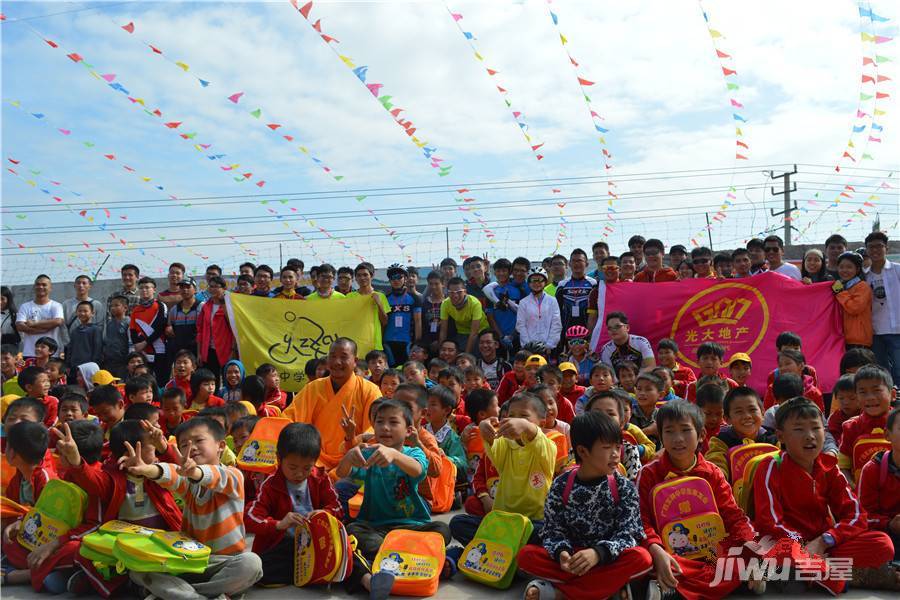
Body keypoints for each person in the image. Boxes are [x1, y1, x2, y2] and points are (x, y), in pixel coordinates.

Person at [753, 398, 897, 593]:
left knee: (882, 545)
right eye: (799, 429)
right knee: (772, 550)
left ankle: (810, 573)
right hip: (789, 543)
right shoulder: (771, 467)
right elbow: (769, 522)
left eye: (816, 428)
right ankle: (830, 574)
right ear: (781, 436)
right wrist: (804, 545)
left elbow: (856, 515)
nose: (810, 436)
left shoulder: (829, 467)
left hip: (825, 544)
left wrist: (826, 539)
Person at [122, 417, 264, 598]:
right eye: (184, 445)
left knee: (251, 564)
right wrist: (147, 470)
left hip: (224, 563)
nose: (193, 447)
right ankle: (208, 595)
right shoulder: (189, 483)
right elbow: (172, 474)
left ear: (221, 446)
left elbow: (213, 476)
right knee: (137, 570)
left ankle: (181, 594)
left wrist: (194, 472)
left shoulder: (234, 476)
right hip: (188, 561)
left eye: (199, 440)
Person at [517, 412, 652, 600]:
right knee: (525, 556)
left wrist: (598, 553)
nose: (616, 454)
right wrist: (562, 553)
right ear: (582, 451)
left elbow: (630, 533)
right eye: (607, 447)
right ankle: (607, 589)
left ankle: (560, 594)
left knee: (642, 559)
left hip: (608, 558)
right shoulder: (561, 485)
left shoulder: (623, 487)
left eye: (617, 446)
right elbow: (552, 530)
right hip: (572, 559)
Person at [637, 401, 758, 599]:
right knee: (647, 559)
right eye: (669, 432)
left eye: (686, 430)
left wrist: (752, 551)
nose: (678, 439)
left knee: (746, 555)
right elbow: (641, 521)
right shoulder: (649, 474)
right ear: (660, 436)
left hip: (712, 551)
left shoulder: (712, 473)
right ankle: (734, 581)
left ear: (701, 434)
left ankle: (670, 589)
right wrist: (656, 549)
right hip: (671, 553)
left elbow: (733, 516)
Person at [340, 399, 452, 595]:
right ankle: (400, 561)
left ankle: (386, 560)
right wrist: (349, 457)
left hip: (412, 527)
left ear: (408, 430)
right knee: (352, 531)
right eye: (379, 421)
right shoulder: (368, 453)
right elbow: (342, 474)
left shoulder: (413, 452)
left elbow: (418, 470)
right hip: (376, 528)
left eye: (393, 422)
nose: (385, 427)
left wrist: (394, 455)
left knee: (441, 530)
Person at [449, 391, 556, 546]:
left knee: (545, 533)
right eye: (511, 415)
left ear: (542, 423)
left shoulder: (547, 445)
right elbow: (492, 442)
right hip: (503, 520)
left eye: (524, 416)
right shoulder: (505, 445)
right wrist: (485, 427)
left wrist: (527, 427)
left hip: (533, 522)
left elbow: (538, 439)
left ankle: (501, 547)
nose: (516, 420)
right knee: (458, 523)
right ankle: (509, 548)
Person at [247, 423, 342, 585]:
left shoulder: (320, 478)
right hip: (284, 544)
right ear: (278, 459)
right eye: (292, 467)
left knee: (346, 554)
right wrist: (279, 524)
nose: (299, 473)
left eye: (307, 468)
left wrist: (323, 514)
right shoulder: (270, 485)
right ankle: (314, 574)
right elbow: (250, 517)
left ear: (315, 461)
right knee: (257, 568)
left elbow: (337, 508)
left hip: (318, 543)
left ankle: (313, 572)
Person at [283, 338, 381, 472]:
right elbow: (289, 419)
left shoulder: (370, 390)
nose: (337, 362)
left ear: (355, 361)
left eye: (343, 357)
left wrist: (353, 438)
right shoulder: (313, 388)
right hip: (312, 461)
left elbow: (374, 431)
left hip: (352, 461)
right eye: (332, 356)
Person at [856, 407, 900, 560]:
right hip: (886, 533)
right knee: (882, 546)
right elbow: (862, 517)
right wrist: (889, 524)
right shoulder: (873, 469)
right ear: (887, 435)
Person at [706, 387, 775, 481]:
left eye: (752, 409)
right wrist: (718, 477)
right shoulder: (721, 441)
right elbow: (716, 465)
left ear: (763, 412)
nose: (747, 416)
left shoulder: (773, 440)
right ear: (727, 419)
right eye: (739, 412)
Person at [865, 231, 900, 382]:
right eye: (871, 247)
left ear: (887, 248)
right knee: (882, 372)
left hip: (897, 329)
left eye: (879, 246)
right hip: (874, 331)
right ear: (866, 250)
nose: (875, 250)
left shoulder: (897, 270)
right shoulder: (864, 275)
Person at [129, 276, 168, 384]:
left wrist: (145, 343)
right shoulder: (136, 310)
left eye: (147, 287)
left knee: (159, 381)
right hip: (142, 353)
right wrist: (137, 345)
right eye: (141, 288)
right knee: (143, 381)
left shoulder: (160, 306)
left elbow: (161, 327)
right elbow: (132, 330)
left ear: (154, 290)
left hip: (159, 351)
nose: (144, 290)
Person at [15, 274, 64, 359]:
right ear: (34, 287)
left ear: (50, 288)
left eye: (44, 285)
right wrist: (41, 330)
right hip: (30, 353)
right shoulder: (25, 306)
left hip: (51, 354)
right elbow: (19, 326)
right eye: (38, 284)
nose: (40, 287)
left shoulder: (56, 306)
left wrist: (34, 323)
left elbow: (57, 321)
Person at [197, 275, 234, 385]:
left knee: (228, 379)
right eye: (211, 286)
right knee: (212, 380)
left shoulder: (230, 305)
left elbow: (234, 328)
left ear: (224, 288)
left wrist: (233, 350)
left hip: (226, 349)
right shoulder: (205, 306)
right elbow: (200, 330)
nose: (212, 289)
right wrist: (199, 352)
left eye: (216, 287)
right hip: (209, 350)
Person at [383, 263, 422, 366]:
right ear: (389, 280)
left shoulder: (414, 298)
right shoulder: (385, 299)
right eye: (392, 278)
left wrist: (417, 343)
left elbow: (418, 322)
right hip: (388, 341)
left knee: (407, 372)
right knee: (391, 372)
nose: (396, 280)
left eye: (399, 277)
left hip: (408, 342)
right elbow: (382, 322)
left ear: (405, 278)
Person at [833, 251, 873, 348]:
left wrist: (841, 293)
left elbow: (855, 308)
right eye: (841, 267)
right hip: (842, 338)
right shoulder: (840, 285)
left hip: (859, 340)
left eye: (849, 267)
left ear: (858, 269)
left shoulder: (863, 286)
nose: (844, 270)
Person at [517, 268, 562, 351]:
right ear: (529, 283)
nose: (537, 283)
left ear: (545, 282)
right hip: (529, 347)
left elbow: (556, 324)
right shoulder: (523, 302)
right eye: (533, 280)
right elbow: (521, 325)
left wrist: (550, 345)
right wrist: (528, 345)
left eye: (540, 280)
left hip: (548, 348)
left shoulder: (552, 301)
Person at [440, 276, 487, 354]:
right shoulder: (445, 304)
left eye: (459, 292)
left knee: (475, 353)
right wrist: (441, 351)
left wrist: (466, 355)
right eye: (451, 293)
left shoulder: (475, 303)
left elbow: (474, 333)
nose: (455, 296)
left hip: (480, 331)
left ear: (465, 292)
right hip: (462, 332)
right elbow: (443, 331)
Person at [483, 258, 522, 350]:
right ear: (494, 272)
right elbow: (490, 316)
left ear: (510, 272)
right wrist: (500, 336)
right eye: (498, 271)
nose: (501, 273)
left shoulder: (518, 289)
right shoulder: (490, 291)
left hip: (517, 334)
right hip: (498, 336)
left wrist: (513, 335)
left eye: (504, 271)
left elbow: (522, 314)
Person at [60, 275, 105, 347]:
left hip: (90, 343)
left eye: (84, 283)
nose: (81, 285)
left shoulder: (96, 304)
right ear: (74, 286)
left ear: (90, 286)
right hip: (72, 343)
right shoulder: (66, 304)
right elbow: (63, 326)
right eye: (78, 283)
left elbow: (100, 325)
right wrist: (67, 343)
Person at [65, 301, 103, 379]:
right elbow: (70, 349)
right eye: (80, 311)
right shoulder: (75, 331)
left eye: (85, 311)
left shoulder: (95, 330)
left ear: (92, 313)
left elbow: (97, 350)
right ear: (76, 312)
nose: (82, 313)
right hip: (75, 367)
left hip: (88, 368)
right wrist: (68, 364)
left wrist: (94, 365)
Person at [165, 276, 200, 358]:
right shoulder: (174, 309)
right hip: (179, 352)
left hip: (196, 352)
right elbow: (169, 327)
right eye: (182, 287)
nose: (184, 290)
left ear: (195, 289)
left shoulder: (201, 307)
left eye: (188, 287)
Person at [101, 295, 131, 378]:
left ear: (125, 308)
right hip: (109, 360)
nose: (113, 308)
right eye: (111, 306)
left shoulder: (129, 322)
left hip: (123, 361)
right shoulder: (109, 323)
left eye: (116, 305)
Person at [420, 270, 445, 353]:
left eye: (437, 284)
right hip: (426, 344)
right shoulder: (424, 303)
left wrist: (440, 342)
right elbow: (422, 325)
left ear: (443, 284)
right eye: (431, 284)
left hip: (445, 345)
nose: (433, 287)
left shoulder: (449, 302)